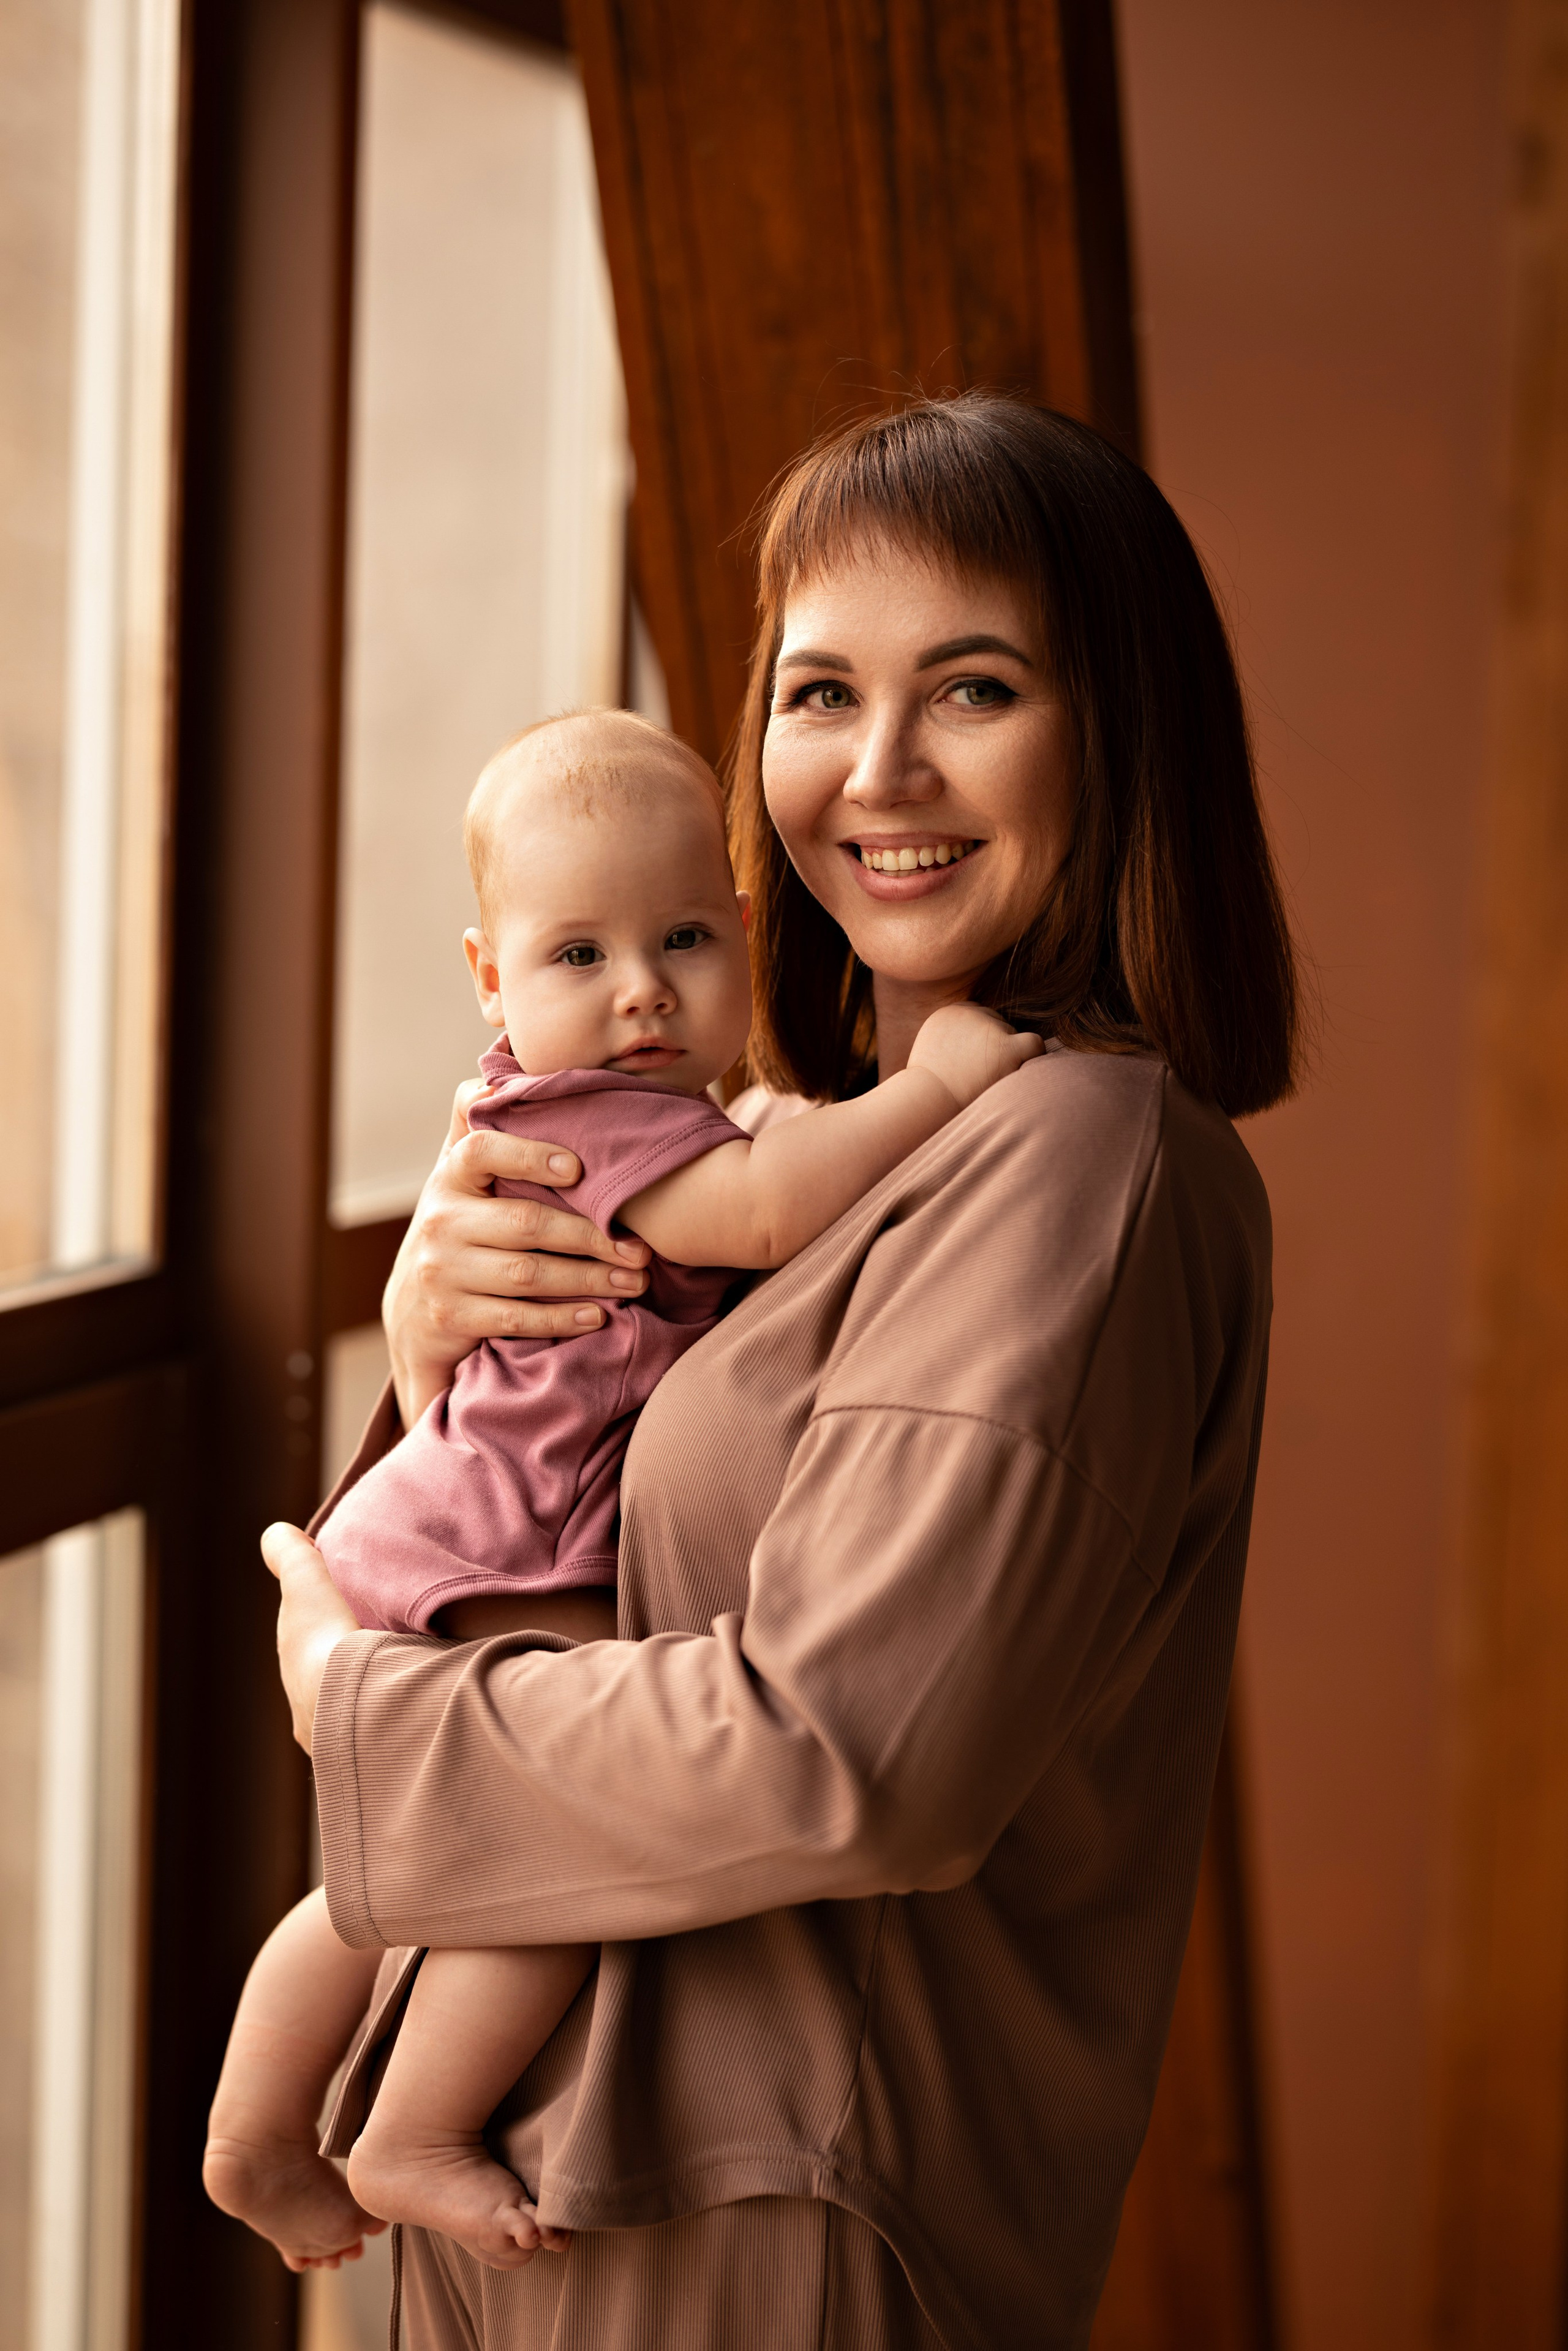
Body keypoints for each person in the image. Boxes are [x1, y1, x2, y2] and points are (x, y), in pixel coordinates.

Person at [265, 393, 1297, 2349]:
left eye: (973, 687)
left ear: (1117, 726)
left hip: (764, 2202)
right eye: (821, 693)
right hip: (601, 2166)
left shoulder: (1076, 1151)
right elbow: (595, 1559)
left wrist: (363, 1701)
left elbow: (851, 1752)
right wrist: (435, 1346)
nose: (878, 768)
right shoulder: (799, 1145)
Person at [203, 706, 1038, 2275]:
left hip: (467, 1517)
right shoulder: (586, 1120)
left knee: (396, 1868)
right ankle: (406, 2128)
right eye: (575, 954)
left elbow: (748, 1170)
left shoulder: (608, 1111)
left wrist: (784, 1115)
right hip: (506, 1535)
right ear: (490, 982)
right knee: (556, 1849)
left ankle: (254, 2129)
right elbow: (773, 1210)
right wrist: (937, 1087)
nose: (640, 988)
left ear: (736, 928)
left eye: (676, 936)